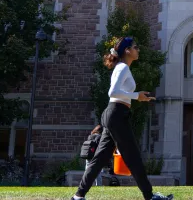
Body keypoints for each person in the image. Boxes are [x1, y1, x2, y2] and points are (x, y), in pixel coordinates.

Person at [73, 37, 172, 200]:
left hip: (115, 113)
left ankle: (78, 196)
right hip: (116, 114)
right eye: (136, 47)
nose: (138, 50)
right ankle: (150, 196)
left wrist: (138, 97)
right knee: (132, 155)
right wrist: (135, 96)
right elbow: (112, 92)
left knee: (100, 159)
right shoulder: (123, 68)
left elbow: (119, 92)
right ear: (127, 50)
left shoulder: (122, 68)